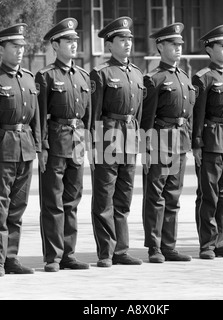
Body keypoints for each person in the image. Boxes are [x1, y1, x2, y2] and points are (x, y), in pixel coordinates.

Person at [0, 23, 41, 276]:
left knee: (18, 207)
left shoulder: (29, 78)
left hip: (25, 148)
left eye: (22, 47)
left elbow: (35, 118)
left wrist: (38, 148)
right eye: (14, 46)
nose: (19, 51)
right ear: (1, 49)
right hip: (2, 149)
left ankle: (11, 257)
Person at [35, 18, 91, 272]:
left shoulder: (83, 76)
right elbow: (40, 114)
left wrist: (87, 141)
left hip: (77, 141)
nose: (73, 45)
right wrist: (42, 147)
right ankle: (53, 256)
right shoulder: (46, 76)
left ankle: (69, 253)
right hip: (55, 141)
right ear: (55, 45)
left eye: (75, 41)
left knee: (72, 200)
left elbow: (87, 115)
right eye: (68, 41)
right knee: (52, 201)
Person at [90, 17, 144, 267]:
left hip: (130, 137)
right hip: (108, 137)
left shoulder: (136, 74)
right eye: (122, 40)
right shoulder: (101, 73)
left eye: (130, 39)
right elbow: (95, 112)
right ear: (109, 45)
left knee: (124, 198)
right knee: (104, 198)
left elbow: (139, 113)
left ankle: (121, 250)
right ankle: (105, 252)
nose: (127, 43)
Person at [141, 23, 194, 263]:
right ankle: (154, 247)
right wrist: (146, 147)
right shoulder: (154, 78)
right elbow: (147, 117)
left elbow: (188, 114)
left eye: (180, 44)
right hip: (161, 140)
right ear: (160, 46)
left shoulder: (183, 77)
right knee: (156, 196)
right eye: (173, 44)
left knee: (173, 195)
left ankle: (169, 245)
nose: (178, 48)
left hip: (179, 141)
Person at [192, 25, 223, 259]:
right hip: (211, 141)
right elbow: (198, 114)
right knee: (208, 195)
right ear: (209, 50)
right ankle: (208, 244)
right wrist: (197, 144)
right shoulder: (203, 78)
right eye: (221, 46)